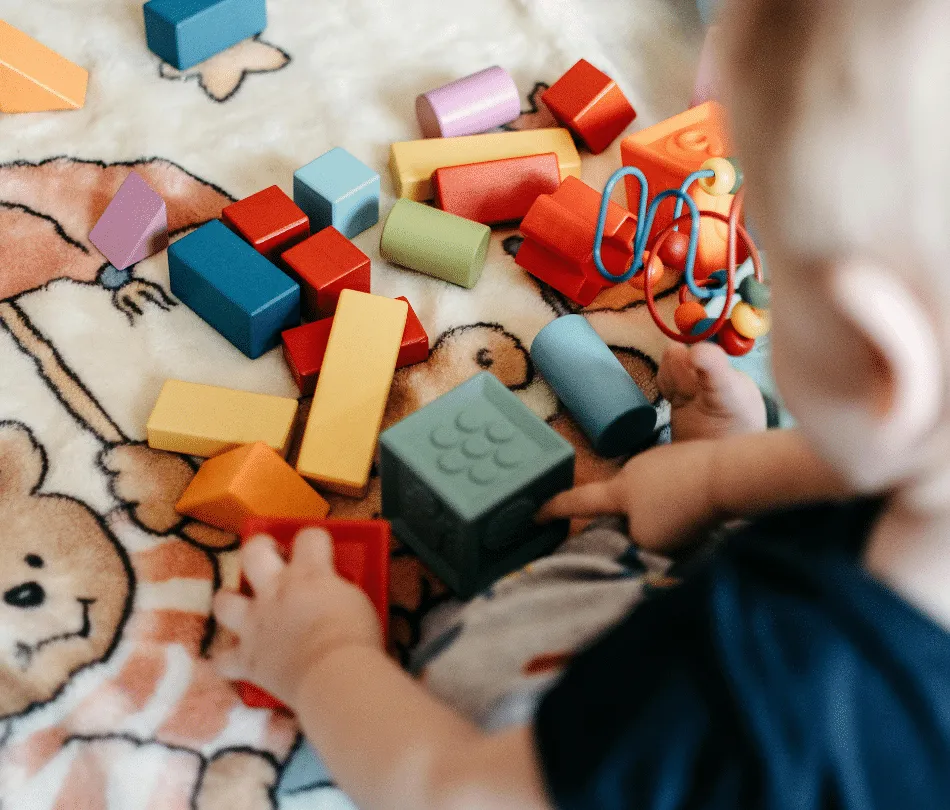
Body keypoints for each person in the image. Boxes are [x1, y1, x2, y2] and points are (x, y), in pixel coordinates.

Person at [212, 0, 950, 806]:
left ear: (876, 357)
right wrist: (714, 481)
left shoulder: (746, 699)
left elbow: (459, 793)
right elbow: (882, 468)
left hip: (560, 763)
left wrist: (322, 657)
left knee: (471, 676)